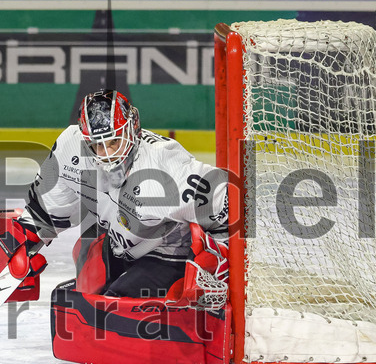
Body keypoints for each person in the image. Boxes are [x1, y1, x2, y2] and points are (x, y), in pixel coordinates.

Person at [17, 88, 229, 306]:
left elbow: (232, 203)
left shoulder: (166, 166)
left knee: (108, 309)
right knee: (82, 284)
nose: (106, 154)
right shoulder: (71, 146)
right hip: (119, 242)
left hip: (168, 252)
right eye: (97, 145)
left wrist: (215, 259)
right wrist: (22, 240)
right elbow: (45, 210)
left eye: (113, 142)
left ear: (132, 128)